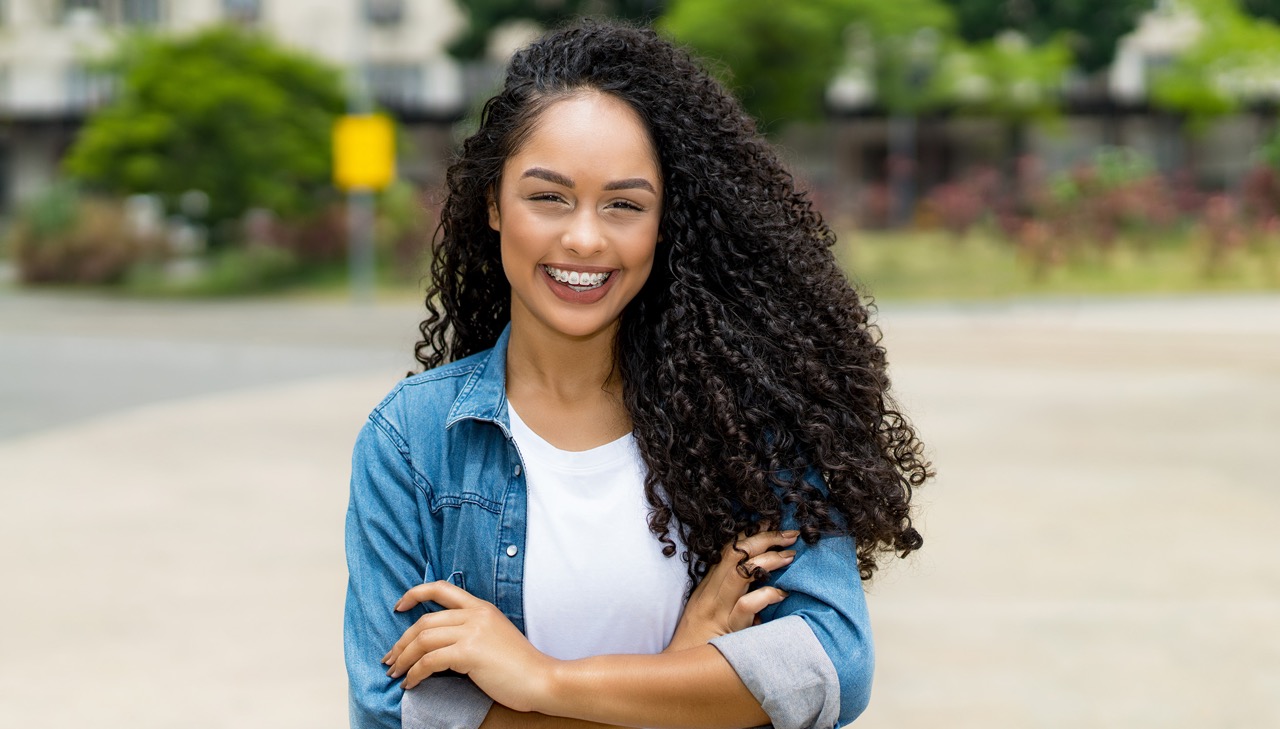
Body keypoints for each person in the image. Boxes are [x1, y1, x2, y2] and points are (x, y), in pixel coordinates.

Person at [344, 19, 931, 729]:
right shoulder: (414, 439)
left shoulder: (753, 421)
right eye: (548, 196)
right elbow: (395, 712)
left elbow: (827, 664)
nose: (585, 237)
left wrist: (541, 680)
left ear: (663, 223)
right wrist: (686, 677)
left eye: (624, 204)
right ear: (494, 204)